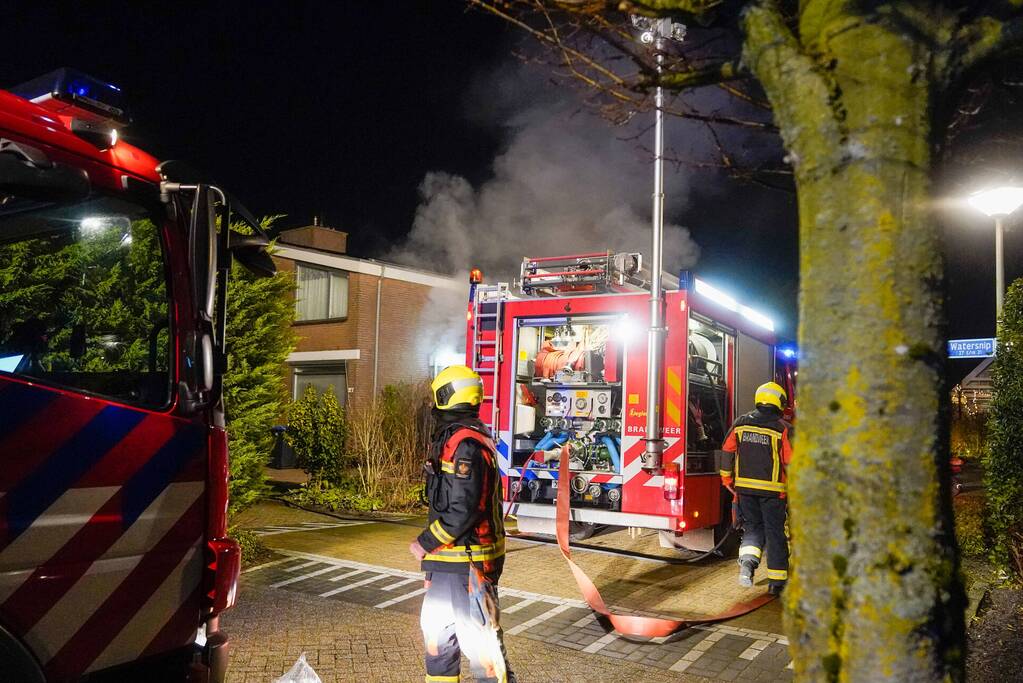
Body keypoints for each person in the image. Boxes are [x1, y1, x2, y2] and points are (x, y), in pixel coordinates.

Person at [410, 365, 514, 683]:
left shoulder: (466, 445)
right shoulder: (456, 439)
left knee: (484, 652)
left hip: (469, 565)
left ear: (446, 396)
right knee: (437, 642)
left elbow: (464, 510)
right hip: (449, 565)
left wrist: (424, 543)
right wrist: (432, 566)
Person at [719, 381, 794, 595]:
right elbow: (790, 462)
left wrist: (726, 479)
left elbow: (727, 451)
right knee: (775, 533)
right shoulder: (783, 429)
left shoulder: (741, 423)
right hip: (773, 493)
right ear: (779, 402)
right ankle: (776, 584)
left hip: (745, 491)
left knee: (752, 528)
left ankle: (747, 567)